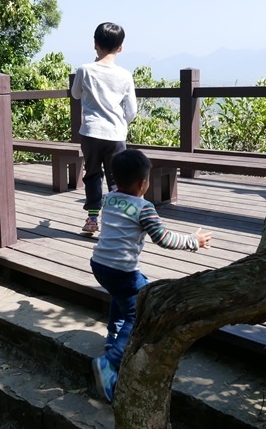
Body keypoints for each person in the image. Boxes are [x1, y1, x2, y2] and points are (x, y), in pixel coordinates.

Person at [90, 149, 212, 403]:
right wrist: (194, 241)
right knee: (140, 310)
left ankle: (113, 337)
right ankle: (110, 362)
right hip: (121, 270)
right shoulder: (143, 207)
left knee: (122, 296)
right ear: (143, 183)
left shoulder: (109, 198)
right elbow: (163, 239)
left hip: (100, 264)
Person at [71, 22, 137, 234]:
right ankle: (118, 221)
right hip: (116, 134)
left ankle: (92, 220)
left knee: (92, 175)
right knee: (118, 179)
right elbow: (132, 111)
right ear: (121, 48)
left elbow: (75, 94)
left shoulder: (84, 70)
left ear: (95, 44)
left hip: (91, 132)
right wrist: (120, 124)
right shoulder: (126, 75)